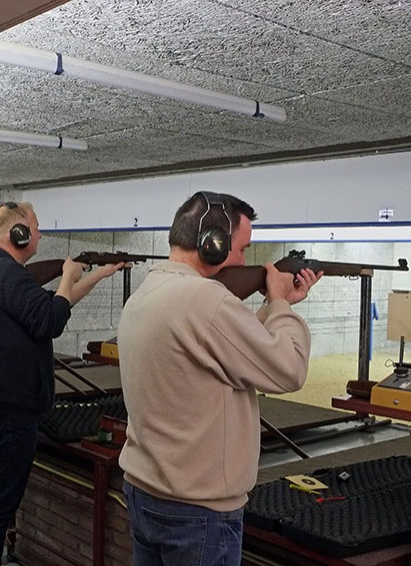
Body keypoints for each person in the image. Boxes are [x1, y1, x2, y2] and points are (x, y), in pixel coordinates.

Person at [117, 191, 322, 566]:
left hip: (147, 494)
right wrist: (280, 304)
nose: (243, 260)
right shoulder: (205, 299)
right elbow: (289, 369)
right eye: (241, 249)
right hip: (198, 512)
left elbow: (226, 349)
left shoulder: (150, 291)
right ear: (213, 244)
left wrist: (275, 306)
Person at [0, 201, 124, 566]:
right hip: (7, 413)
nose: (38, 234)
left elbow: (52, 306)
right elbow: (51, 321)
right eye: (34, 228)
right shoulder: (9, 275)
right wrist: (67, 274)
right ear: (18, 234)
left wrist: (97, 275)